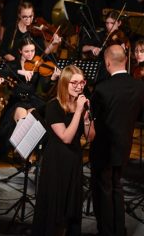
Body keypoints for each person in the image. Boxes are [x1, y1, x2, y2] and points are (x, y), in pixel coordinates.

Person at [89, 44, 144, 236]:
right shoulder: (139, 86)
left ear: (107, 63)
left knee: (103, 190)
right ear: (125, 60)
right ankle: (118, 231)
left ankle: (106, 232)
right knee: (116, 186)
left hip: (103, 148)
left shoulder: (102, 89)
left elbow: (93, 119)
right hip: (124, 147)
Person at [32, 64, 95, 236]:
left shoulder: (82, 107)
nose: (79, 86)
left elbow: (90, 137)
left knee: (71, 206)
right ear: (64, 84)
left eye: (81, 82)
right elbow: (66, 137)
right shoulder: (54, 106)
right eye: (74, 83)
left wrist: (88, 119)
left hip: (74, 160)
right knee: (55, 206)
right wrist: (79, 112)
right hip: (56, 161)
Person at [0, 36, 61, 159]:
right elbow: (2, 73)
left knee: (33, 119)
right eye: (26, 51)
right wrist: (21, 71)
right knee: (22, 116)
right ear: (20, 51)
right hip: (17, 101)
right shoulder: (14, 64)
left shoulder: (37, 65)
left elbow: (43, 88)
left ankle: (24, 152)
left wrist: (52, 78)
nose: (30, 54)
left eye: (33, 51)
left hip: (32, 100)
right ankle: (23, 153)